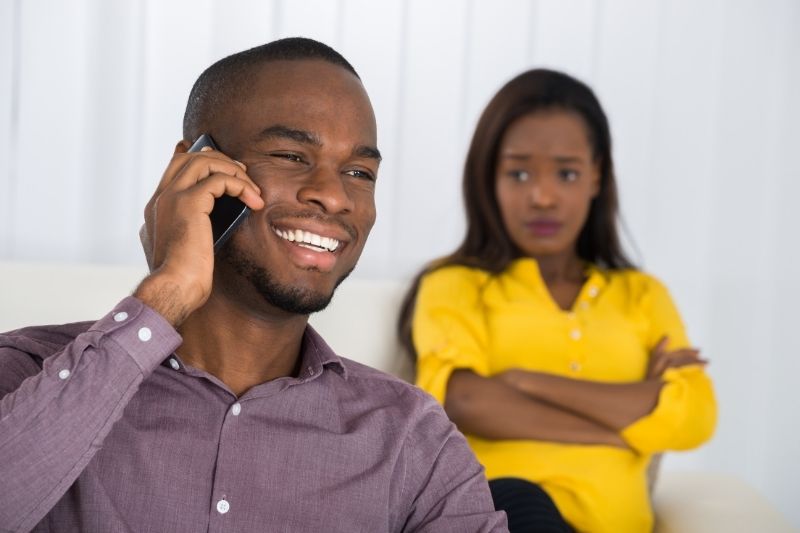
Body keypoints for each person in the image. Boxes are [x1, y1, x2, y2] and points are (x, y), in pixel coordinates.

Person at [0, 38, 507, 532]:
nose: (333, 197)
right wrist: (167, 290)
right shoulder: (26, 375)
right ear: (192, 169)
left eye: (358, 171)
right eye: (290, 156)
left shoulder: (410, 439)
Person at [398, 69, 717, 532]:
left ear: (596, 178)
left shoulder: (643, 295)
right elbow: (462, 398)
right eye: (519, 172)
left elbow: (693, 416)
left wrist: (528, 381)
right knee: (524, 500)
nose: (542, 197)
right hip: (502, 515)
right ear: (490, 179)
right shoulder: (457, 284)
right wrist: (629, 414)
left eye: (566, 173)